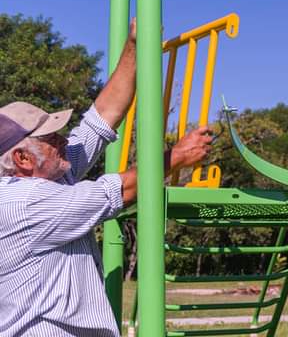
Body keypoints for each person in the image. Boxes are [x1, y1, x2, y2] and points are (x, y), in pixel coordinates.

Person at [0, 22, 213, 337]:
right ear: (22, 159)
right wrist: (177, 157)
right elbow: (117, 190)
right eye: (50, 137)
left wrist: (134, 45)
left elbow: (102, 116)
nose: (62, 140)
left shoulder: (52, 173)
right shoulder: (25, 201)